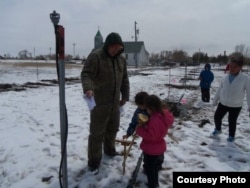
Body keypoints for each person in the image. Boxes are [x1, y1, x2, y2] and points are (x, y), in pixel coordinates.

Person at [81, 32, 130, 174]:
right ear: (107, 46)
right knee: (97, 134)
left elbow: (125, 79)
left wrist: (125, 96)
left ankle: (110, 150)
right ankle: (94, 162)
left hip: (115, 104)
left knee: (112, 129)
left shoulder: (121, 60)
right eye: (113, 47)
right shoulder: (96, 57)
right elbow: (86, 74)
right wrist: (88, 88)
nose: (116, 50)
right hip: (100, 105)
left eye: (118, 47)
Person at [136, 94, 174, 188]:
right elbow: (155, 132)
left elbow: (151, 136)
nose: (146, 111)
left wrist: (140, 129)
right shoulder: (163, 115)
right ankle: (154, 183)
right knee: (153, 168)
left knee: (150, 170)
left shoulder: (155, 120)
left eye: (147, 108)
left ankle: (153, 185)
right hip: (158, 147)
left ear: (151, 108)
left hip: (151, 149)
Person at [211, 54, 250, 142]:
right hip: (223, 103)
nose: (232, 68)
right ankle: (218, 129)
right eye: (230, 66)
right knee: (217, 117)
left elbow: (249, 93)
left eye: (235, 67)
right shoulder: (225, 77)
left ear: (240, 67)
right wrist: (214, 101)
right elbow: (219, 90)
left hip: (236, 105)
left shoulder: (245, 78)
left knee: (232, 121)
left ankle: (231, 136)